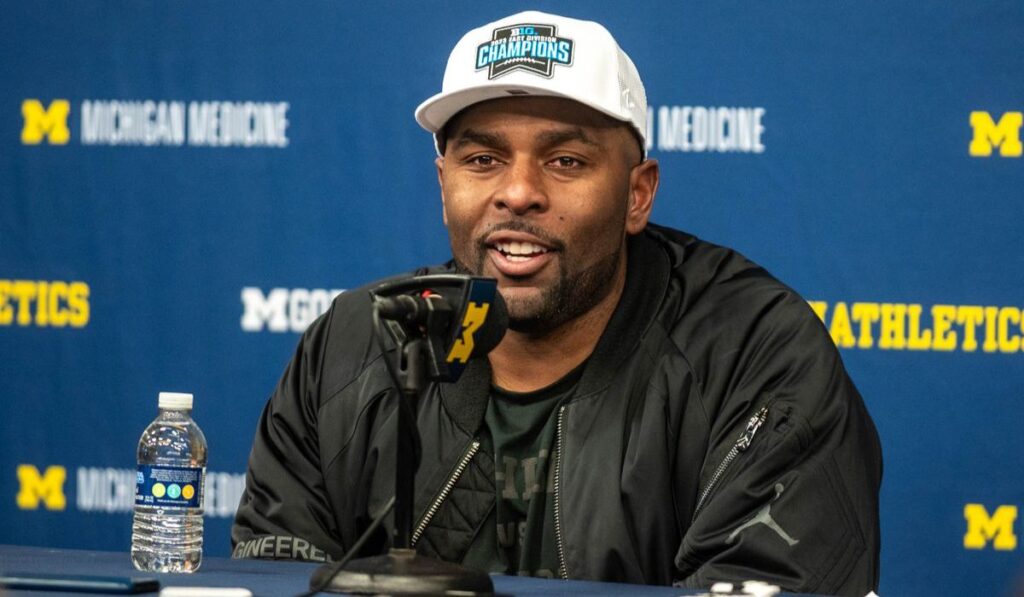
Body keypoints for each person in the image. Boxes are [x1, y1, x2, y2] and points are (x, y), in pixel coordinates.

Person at [232, 10, 882, 595]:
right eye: (483, 158)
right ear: (443, 183)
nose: (518, 192)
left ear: (638, 194)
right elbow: (276, 573)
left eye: (566, 160)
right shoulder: (357, 342)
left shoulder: (752, 353)